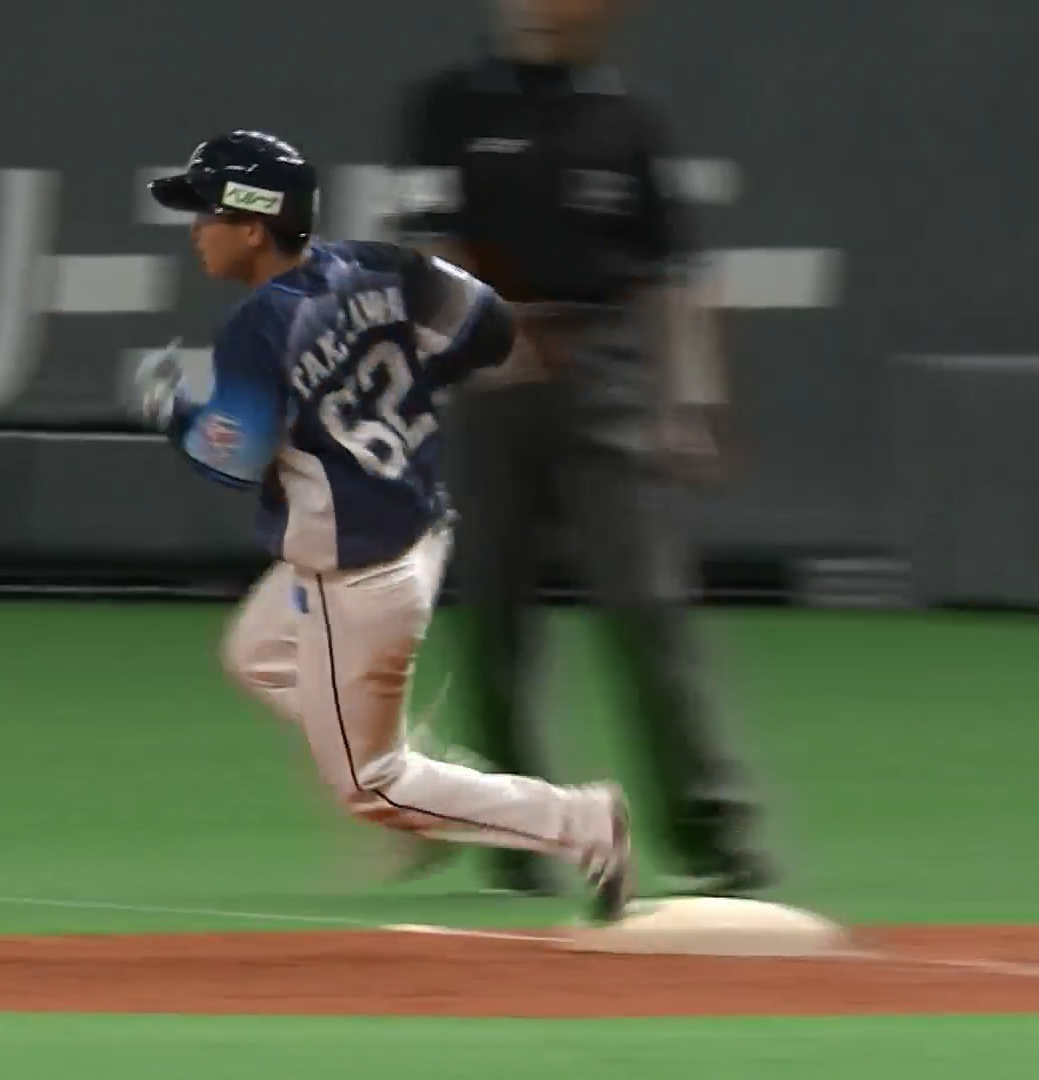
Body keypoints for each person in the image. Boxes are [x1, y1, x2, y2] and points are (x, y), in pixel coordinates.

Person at [135, 129, 632, 923]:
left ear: (254, 227)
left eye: (207, 213)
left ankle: (580, 822)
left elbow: (230, 458)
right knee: (257, 655)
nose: (197, 229)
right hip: (417, 530)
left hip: (357, 574)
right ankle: (413, 766)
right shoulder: (379, 267)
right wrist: (406, 374)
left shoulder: (259, 327)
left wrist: (171, 407)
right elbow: (491, 329)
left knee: (371, 786)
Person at [388, 0, 773, 896]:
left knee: (647, 604)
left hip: (607, 372)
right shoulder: (451, 104)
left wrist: (693, 401)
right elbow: (428, 239)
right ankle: (519, 837)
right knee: (496, 619)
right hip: (491, 373)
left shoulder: (629, 119)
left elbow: (672, 274)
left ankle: (712, 832)